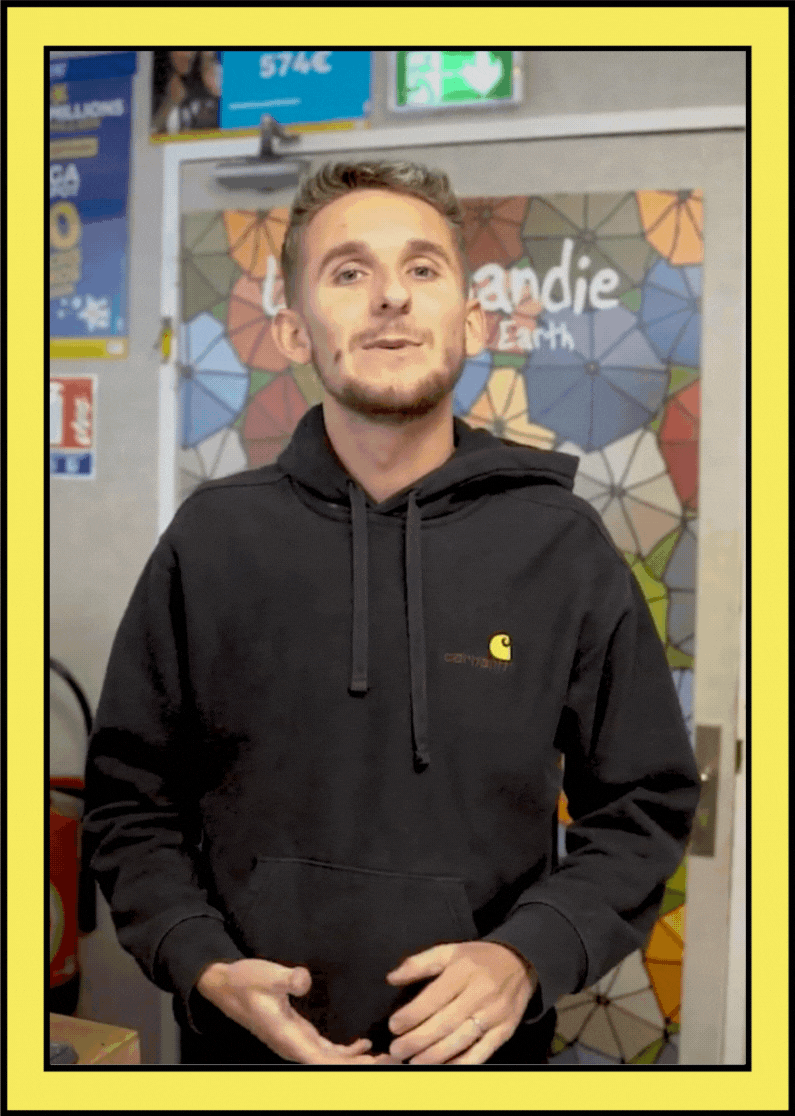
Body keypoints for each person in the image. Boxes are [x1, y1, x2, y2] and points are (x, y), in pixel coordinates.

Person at [81, 160, 701, 1066]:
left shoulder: (560, 545)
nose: (390, 297)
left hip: (478, 1059)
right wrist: (200, 961)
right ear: (293, 329)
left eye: (421, 268)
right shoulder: (210, 541)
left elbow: (644, 802)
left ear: (471, 319)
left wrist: (525, 956)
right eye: (348, 271)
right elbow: (130, 800)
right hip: (241, 1059)